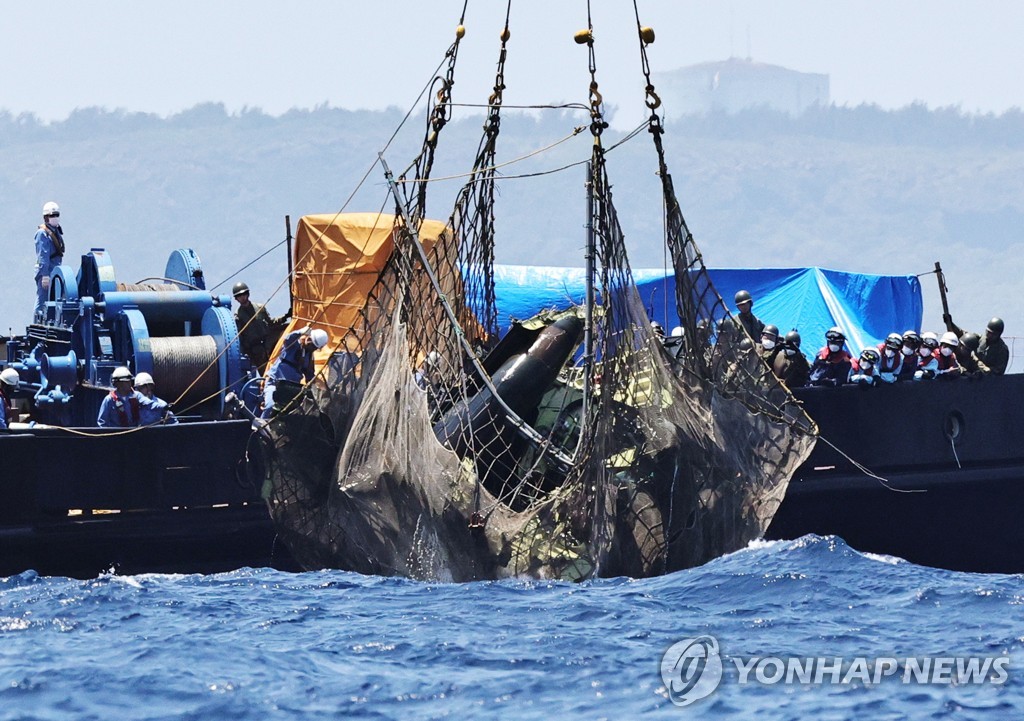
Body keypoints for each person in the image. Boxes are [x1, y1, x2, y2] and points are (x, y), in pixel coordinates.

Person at [260, 326, 329, 419]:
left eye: (314, 347)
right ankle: (259, 429)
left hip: (290, 390)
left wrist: (324, 389)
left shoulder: (309, 357)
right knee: (270, 406)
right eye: (311, 343)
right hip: (275, 383)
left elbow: (310, 376)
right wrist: (300, 331)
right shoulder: (293, 345)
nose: (311, 348)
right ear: (308, 338)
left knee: (293, 415)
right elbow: (288, 338)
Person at [232, 281, 287, 374]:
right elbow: (240, 338)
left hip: (270, 344)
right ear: (236, 299)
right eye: (239, 296)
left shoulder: (260, 308)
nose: (242, 297)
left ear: (247, 294)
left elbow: (272, 323)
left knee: (281, 366)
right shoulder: (238, 316)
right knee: (266, 374)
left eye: (244, 294)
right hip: (256, 351)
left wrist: (285, 317)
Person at [33, 201, 65, 321]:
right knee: (42, 300)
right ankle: (37, 324)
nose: (55, 218)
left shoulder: (55, 231)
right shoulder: (42, 233)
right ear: (46, 217)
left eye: (56, 215)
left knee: (52, 300)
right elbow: (43, 256)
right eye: (52, 215)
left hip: (54, 270)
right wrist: (44, 275)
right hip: (45, 271)